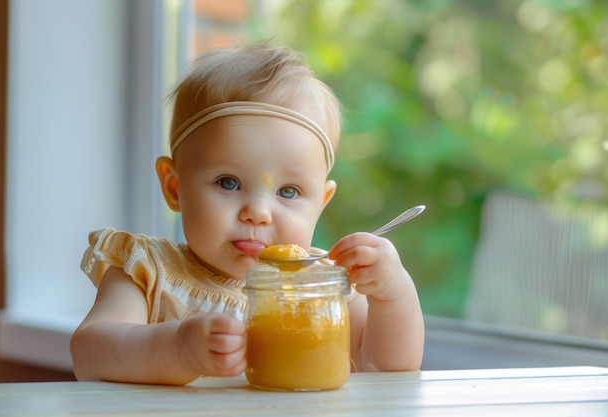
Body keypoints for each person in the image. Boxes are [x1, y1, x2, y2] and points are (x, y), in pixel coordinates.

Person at [70, 42, 424, 385]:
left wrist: (392, 294)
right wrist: (178, 349)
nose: (258, 213)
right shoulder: (146, 272)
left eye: (288, 191)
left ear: (321, 203)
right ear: (175, 188)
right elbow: (89, 354)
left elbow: (385, 372)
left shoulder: (324, 285)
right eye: (228, 183)